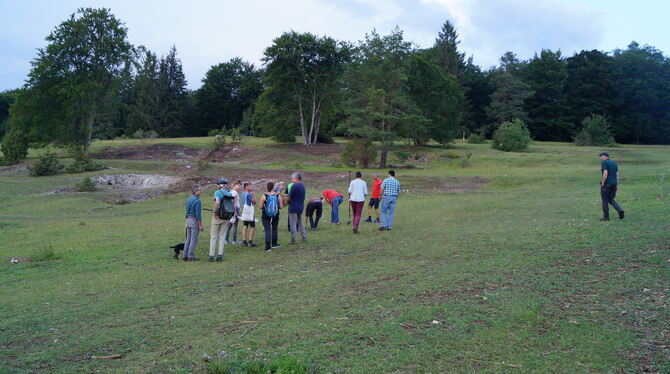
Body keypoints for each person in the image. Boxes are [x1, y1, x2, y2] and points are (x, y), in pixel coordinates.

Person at [209, 178, 232, 262]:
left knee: (214, 236)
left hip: (217, 217)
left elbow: (217, 203)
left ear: (219, 185)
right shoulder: (229, 193)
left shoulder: (217, 192)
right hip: (226, 217)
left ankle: (211, 256)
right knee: (222, 236)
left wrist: (215, 212)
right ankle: (220, 256)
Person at [599, 152, 625, 221]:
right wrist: (616, 183)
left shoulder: (604, 162)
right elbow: (617, 174)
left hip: (607, 184)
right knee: (610, 199)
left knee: (605, 200)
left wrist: (602, 183)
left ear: (604, 156)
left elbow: (605, 173)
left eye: (600, 157)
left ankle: (606, 217)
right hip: (614, 184)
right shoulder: (614, 163)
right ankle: (620, 210)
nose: (600, 158)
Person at [259, 181, 283, 252]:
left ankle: (267, 247)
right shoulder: (277, 195)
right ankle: (274, 243)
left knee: (267, 229)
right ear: (273, 187)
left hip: (265, 214)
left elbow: (260, 206)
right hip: (275, 213)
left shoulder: (264, 195)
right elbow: (281, 206)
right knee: (275, 228)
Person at [183, 184, 203, 261]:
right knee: (193, 239)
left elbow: (187, 211)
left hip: (188, 220)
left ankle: (185, 255)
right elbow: (198, 215)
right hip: (194, 220)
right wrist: (200, 225)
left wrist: (186, 222)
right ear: (195, 191)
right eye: (199, 190)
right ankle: (190, 256)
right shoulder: (198, 201)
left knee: (188, 238)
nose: (200, 191)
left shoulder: (188, 199)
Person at [286, 172, 308, 244]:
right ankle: (304, 236)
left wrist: (285, 202)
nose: (292, 179)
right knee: (300, 222)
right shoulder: (302, 186)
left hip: (293, 207)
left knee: (293, 223)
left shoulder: (294, 186)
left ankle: (294, 239)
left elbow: (289, 197)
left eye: (292, 178)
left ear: (295, 178)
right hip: (300, 206)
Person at [240, 182, 258, 247]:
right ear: (246, 187)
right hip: (249, 212)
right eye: (250, 186)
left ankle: (244, 241)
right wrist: (254, 195)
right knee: (252, 227)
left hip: (244, 211)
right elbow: (255, 202)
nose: (251, 187)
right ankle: (250, 242)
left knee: (245, 226)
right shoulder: (249, 194)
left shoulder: (242, 194)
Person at [224, 180, 242, 244]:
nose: (240, 187)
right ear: (235, 185)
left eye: (240, 185)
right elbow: (234, 202)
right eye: (239, 185)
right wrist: (235, 212)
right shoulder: (234, 193)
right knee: (235, 225)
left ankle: (226, 239)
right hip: (235, 209)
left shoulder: (232, 192)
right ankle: (234, 240)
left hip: (231, 210)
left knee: (230, 225)